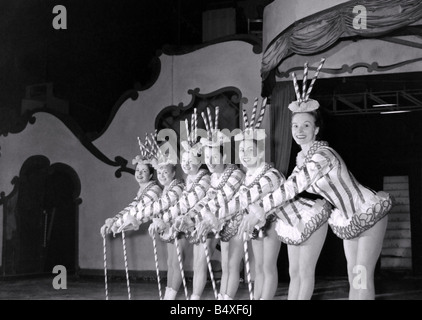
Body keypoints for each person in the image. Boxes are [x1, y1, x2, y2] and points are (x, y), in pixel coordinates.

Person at [239, 60, 393, 300]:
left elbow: (292, 186)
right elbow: (286, 187)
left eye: (306, 125)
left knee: (361, 275)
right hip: (347, 218)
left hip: (368, 211)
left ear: (316, 129)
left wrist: (259, 210)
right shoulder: (303, 159)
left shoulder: (322, 156)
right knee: (354, 276)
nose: (299, 130)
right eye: (295, 125)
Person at [187, 107, 246, 300]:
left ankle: (226, 301)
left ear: (224, 156)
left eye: (214, 157)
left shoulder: (235, 173)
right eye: (207, 158)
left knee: (231, 265)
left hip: (236, 220)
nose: (210, 162)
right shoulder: (214, 177)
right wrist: (190, 216)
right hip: (220, 221)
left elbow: (222, 199)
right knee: (226, 266)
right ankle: (221, 299)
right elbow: (207, 200)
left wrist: (206, 218)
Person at [118, 137, 185, 300]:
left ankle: (171, 297)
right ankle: (168, 295)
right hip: (169, 230)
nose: (162, 175)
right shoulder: (165, 188)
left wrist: (150, 219)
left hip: (180, 228)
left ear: (173, 173)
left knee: (176, 264)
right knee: (170, 263)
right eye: (160, 172)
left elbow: (164, 207)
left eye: (166, 172)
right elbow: (157, 210)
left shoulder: (178, 186)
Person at [167, 110, 212, 300]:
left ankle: (195, 299)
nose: (185, 164)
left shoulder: (205, 178)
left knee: (200, 263)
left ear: (199, 160)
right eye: (183, 160)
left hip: (205, 221)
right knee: (177, 260)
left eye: (190, 160)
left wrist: (169, 217)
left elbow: (191, 201)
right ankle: (173, 295)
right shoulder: (186, 180)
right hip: (188, 223)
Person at [100, 137, 162, 237]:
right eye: (138, 170)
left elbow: (137, 209)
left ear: (151, 175)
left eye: (144, 171)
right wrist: (112, 220)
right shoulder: (142, 191)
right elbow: (131, 207)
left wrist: (116, 224)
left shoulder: (154, 190)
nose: (140, 173)